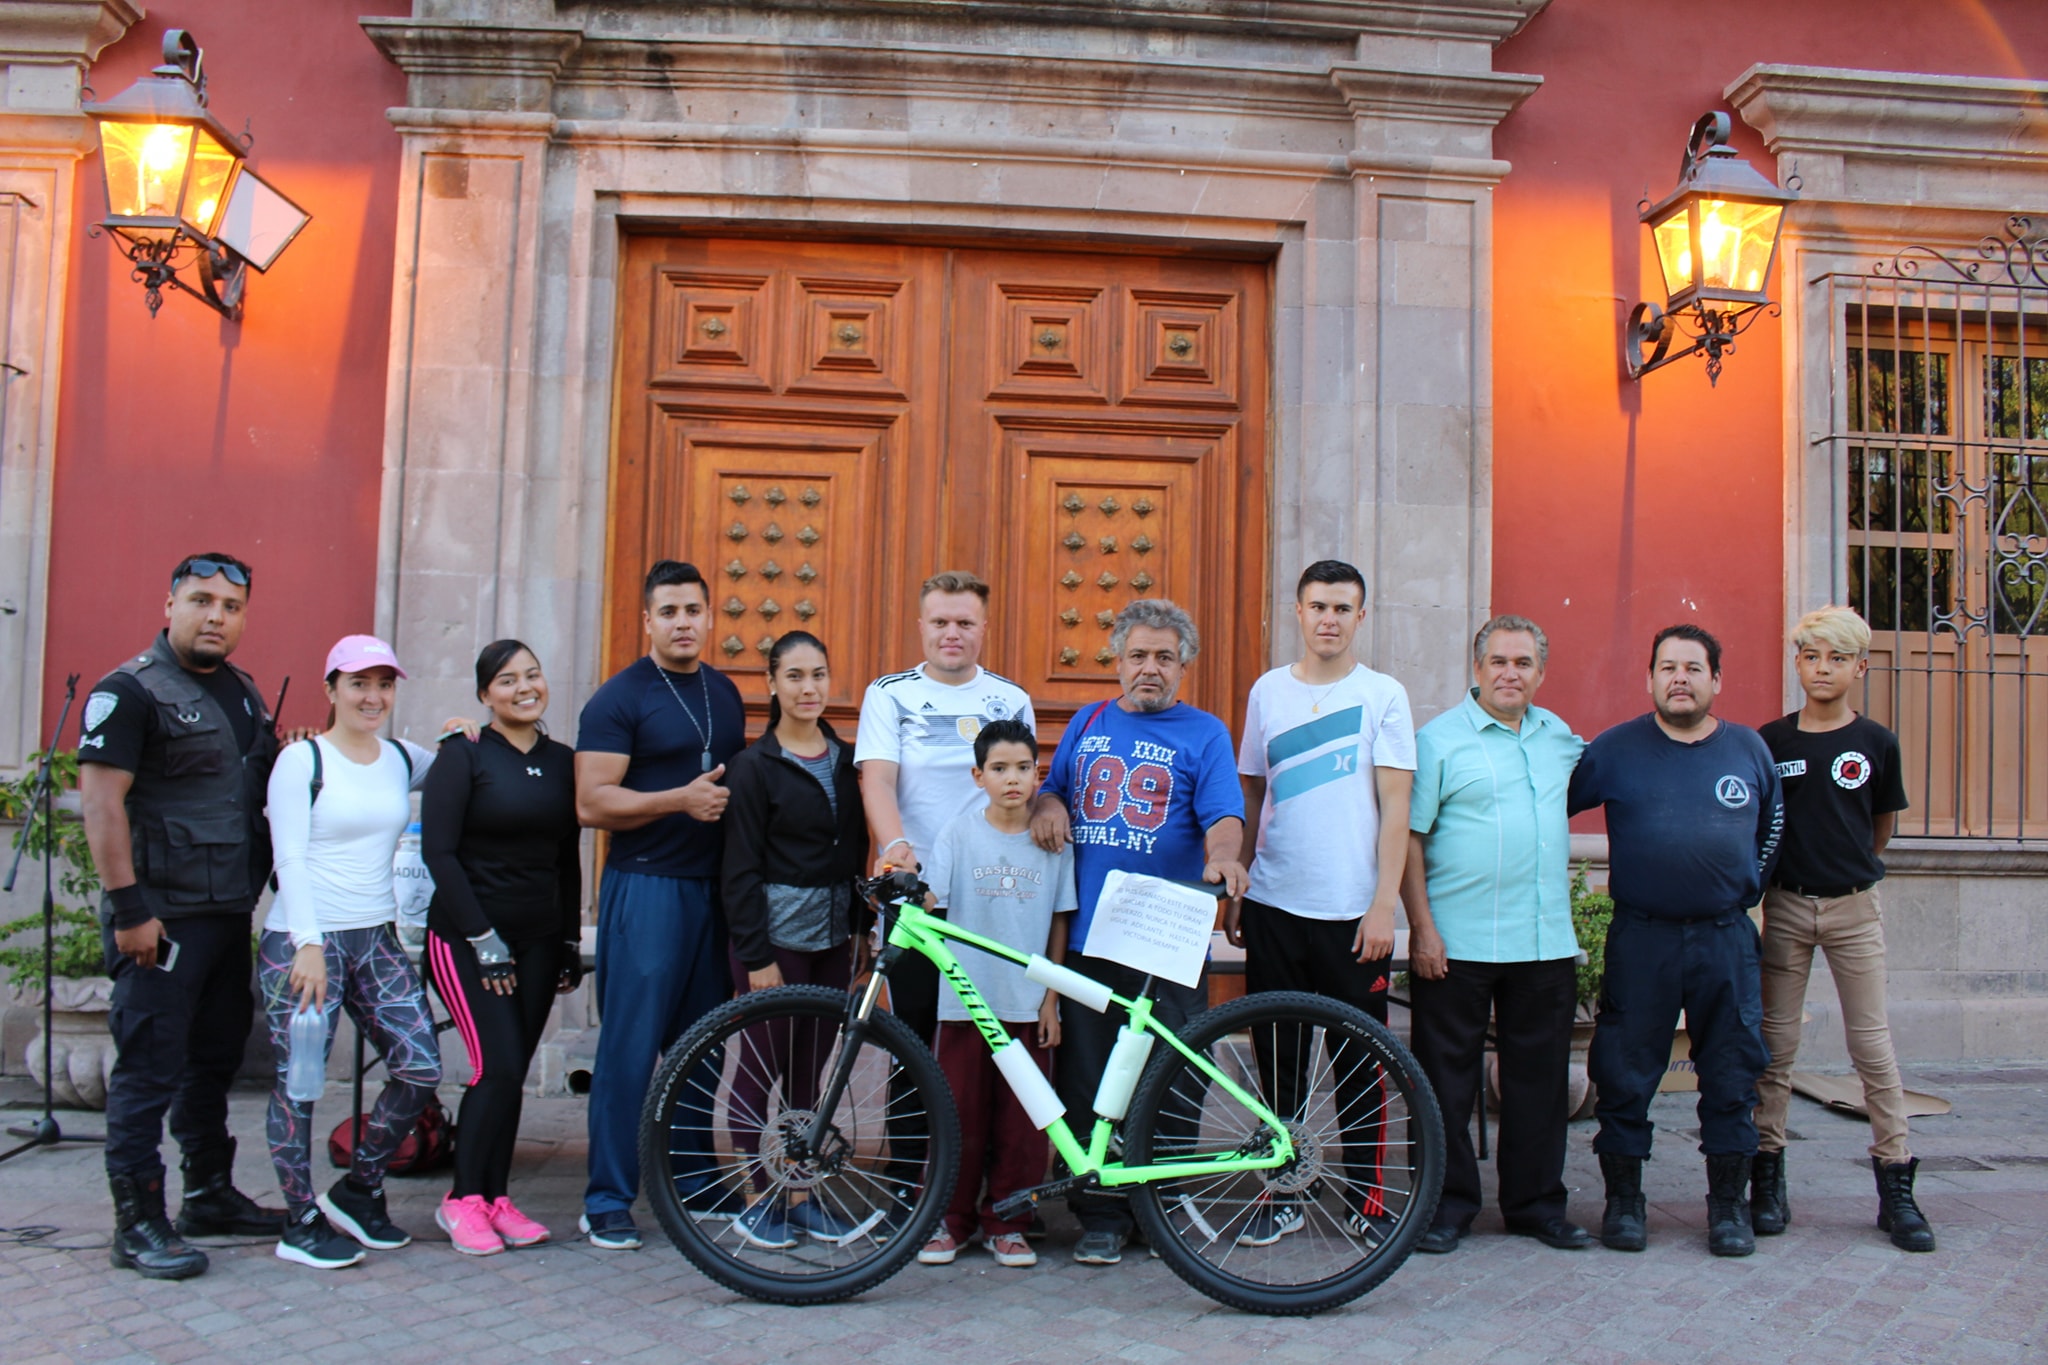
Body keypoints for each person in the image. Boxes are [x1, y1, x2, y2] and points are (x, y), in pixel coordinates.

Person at [78, 553, 285, 1279]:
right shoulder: (128, 691)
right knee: (149, 1068)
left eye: (231, 605)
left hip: (227, 913)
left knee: (213, 1061)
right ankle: (136, 1222)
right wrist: (129, 909)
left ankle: (207, 1192)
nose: (216, 616)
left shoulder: (242, 691)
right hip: (160, 921)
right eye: (201, 600)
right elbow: (101, 802)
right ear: (169, 604)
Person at [1031, 598, 1247, 1266]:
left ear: (1183, 664)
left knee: (1175, 1069)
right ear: (1117, 661)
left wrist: (1225, 855)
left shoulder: (1205, 732)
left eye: (1164, 656)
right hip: (1092, 932)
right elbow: (1051, 789)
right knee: (1090, 1071)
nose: (1149, 668)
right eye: (1137, 656)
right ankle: (1099, 1210)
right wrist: (1045, 804)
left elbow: (1224, 816)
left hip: (1165, 933)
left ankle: (1160, 1203)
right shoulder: (1088, 721)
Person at [1568, 624, 1782, 1258]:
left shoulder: (1747, 749)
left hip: (1725, 939)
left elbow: (1772, 829)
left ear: (1716, 680)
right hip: (1644, 937)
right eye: (1668, 667)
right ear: (1650, 679)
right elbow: (1548, 809)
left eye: (1693, 667)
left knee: (1731, 1073)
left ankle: (1726, 1210)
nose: (1680, 678)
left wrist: (1745, 890)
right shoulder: (1614, 750)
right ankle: (1625, 1205)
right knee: (1626, 1074)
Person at [1225, 560, 1414, 1248]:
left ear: (1361, 616)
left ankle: (1364, 1200)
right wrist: (1242, 876)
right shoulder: (1268, 692)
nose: (1328, 618)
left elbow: (1397, 808)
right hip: (1275, 905)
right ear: (1297, 612)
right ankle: (1283, 1193)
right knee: (1279, 1061)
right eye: (1317, 606)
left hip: (1352, 915)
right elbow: (1250, 793)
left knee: (1358, 1064)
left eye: (1342, 607)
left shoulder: (1383, 694)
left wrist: (1382, 904)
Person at [1402, 614, 1592, 1255]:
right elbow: (1410, 839)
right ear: (1476, 669)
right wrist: (1421, 930)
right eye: (1499, 662)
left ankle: (1536, 1206)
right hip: (1455, 944)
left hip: (1542, 943)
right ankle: (1444, 1207)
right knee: (1443, 1083)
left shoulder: (1559, 736)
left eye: (1524, 663)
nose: (1511, 673)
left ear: (1541, 672)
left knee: (1538, 1083)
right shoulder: (1438, 741)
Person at [854, 570, 1035, 1232]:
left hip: (997, 903)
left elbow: (1020, 786)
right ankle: (912, 1189)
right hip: (919, 899)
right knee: (918, 1045)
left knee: (993, 1044)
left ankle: (1000, 1197)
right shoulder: (889, 694)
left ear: (984, 628)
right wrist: (897, 845)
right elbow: (877, 779)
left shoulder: (1009, 697)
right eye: (940, 621)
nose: (952, 632)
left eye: (964, 621)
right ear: (922, 626)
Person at [574, 560, 746, 1250]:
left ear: (709, 616)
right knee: (629, 1048)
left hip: (712, 892)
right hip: (646, 887)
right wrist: (678, 798)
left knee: (704, 1045)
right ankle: (607, 1196)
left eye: (693, 610)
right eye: (668, 611)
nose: (682, 622)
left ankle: (697, 1178)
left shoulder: (725, 693)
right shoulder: (618, 698)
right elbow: (591, 801)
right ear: (647, 619)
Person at [1752, 606, 1935, 1252]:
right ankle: (1767, 1174)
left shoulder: (1877, 742)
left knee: (1872, 1047)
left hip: (1855, 909)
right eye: (1811, 656)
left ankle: (1895, 1181)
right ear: (1798, 663)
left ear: (1859, 666)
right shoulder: (1772, 742)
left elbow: (1879, 826)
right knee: (1774, 1047)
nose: (1822, 668)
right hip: (1788, 907)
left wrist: (1856, 869)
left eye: (1836, 657)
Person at [261, 635, 443, 1270]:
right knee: (300, 1082)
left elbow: (460, 764)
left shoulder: (400, 757)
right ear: (331, 688)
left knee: (420, 1065)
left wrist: (467, 729)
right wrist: (307, 943)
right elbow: (288, 856)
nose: (373, 696)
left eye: (385, 684)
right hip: (304, 941)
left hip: (377, 939)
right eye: (359, 683)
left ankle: (359, 1189)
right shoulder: (301, 761)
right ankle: (298, 1220)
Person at [421, 640, 584, 1256]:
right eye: (508, 679)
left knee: (510, 1071)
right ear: (485, 694)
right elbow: (439, 853)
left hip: (539, 940)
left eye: (533, 676)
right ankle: (461, 1201)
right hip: (467, 940)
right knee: (497, 1065)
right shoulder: (462, 755)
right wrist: (483, 938)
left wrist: (567, 938)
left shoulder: (563, 761)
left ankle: (496, 1199)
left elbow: (566, 858)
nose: (524, 687)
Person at [719, 631, 876, 1249]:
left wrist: (862, 934)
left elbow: (858, 856)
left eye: (818, 674)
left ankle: (802, 1194)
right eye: (795, 676)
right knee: (759, 1072)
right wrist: (756, 957)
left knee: (812, 1075)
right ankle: (758, 1198)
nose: (809, 688)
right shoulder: (753, 767)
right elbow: (738, 871)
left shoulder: (848, 759)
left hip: (833, 939)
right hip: (773, 945)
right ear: (773, 684)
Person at [917, 719, 1076, 1270]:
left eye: (1024, 768)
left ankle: (1008, 1222)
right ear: (978, 775)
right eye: (1000, 768)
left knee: (1024, 1125)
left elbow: (1060, 920)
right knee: (958, 1115)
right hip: (963, 1004)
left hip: (1026, 1006)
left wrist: (1051, 998)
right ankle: (949, 1220)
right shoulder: (959, 835)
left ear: (1038, 775)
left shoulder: (1053, 842)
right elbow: (935, 901)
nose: (1013, 779)